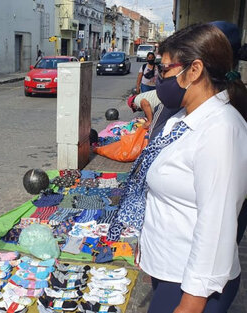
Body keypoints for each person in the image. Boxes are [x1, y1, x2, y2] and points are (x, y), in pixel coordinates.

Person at [110, 23, 247, 313]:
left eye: (165, 69)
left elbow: (218, 223)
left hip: (193, 287)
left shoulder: (220, 130)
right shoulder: (181, 119)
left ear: (194, 70)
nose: (159, 77)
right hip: (169, 270)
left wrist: (191, 302)